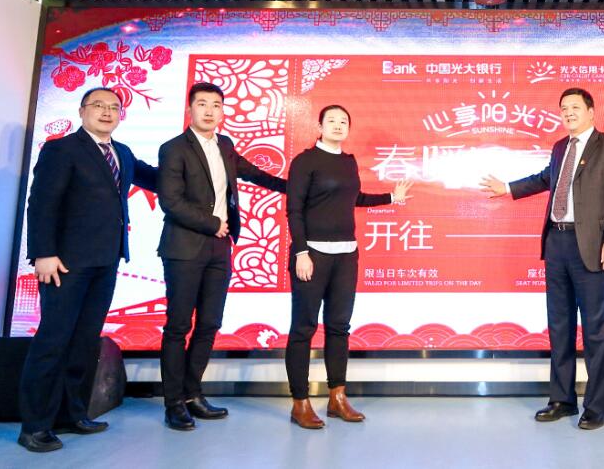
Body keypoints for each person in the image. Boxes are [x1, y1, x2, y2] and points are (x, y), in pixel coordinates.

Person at [18, 87, 158, 452]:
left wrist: (201, 170)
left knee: (84, 341)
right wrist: (43, 253)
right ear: (82, 111)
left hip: (106, 261)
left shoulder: (122, 153)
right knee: (53, 341)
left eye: (114, 107)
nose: (107, 112)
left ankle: (72, 413)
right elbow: (41, 203)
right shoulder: (62, 149)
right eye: (99, 105)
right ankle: (35, 426)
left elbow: (156, 178)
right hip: (65, 263)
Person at [480, 88, 604, 430]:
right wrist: (508, 188)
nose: (568, 113)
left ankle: (596, 407)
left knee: (594, 329)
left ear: (591, 111)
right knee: (559, 325)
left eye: (575, 107)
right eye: (564, 108)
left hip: (591, 245)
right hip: (556, 242)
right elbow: (548, 178)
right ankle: (562, 399)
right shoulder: (561, 146)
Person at [157, 82, 286, 431]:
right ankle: (173, 403)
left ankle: (192, 394)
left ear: (223, 111)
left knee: (210, 323)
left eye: (216, 104)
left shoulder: (225, 145)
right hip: (184, 247)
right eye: (202, 104)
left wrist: (297, 187)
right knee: (178, 326)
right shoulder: (173, 149)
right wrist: (214, 223)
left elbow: (255, 174)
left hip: (219, 248)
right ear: (190, 109)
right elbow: (170, 201)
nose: (209, 110)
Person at [285, 104, 413, 429]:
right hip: (312, 254)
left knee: (339, 327)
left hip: (346, 255)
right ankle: (300, 402)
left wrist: (390, 198)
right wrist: (301, 252)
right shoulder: (305, 161)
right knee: (303, 329)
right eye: (332, 120)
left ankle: (337, 397)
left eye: (344, 121)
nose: (338, 125)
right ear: (320, 126)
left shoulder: (348, 161)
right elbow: (294, 210)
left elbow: (352, 198)